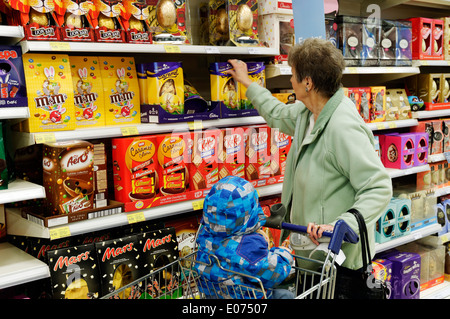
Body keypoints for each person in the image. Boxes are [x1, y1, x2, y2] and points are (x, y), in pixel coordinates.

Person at [226, 38, 393, 297]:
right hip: (311, 257)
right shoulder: (309, 113)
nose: (290, 81)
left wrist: (342, 224)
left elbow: (379, 186)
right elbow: (277, 113)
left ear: (308, 83)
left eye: (293, 75)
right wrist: (247, 82)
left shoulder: (341, 127)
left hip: (338, 263)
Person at [194, 176, 295, 299]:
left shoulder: (204, 234)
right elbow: (273, 274)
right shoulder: (247, 246)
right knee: (286, 295)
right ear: (251, 212)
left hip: (214, 295)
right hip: (245, 297)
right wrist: (284, 254)